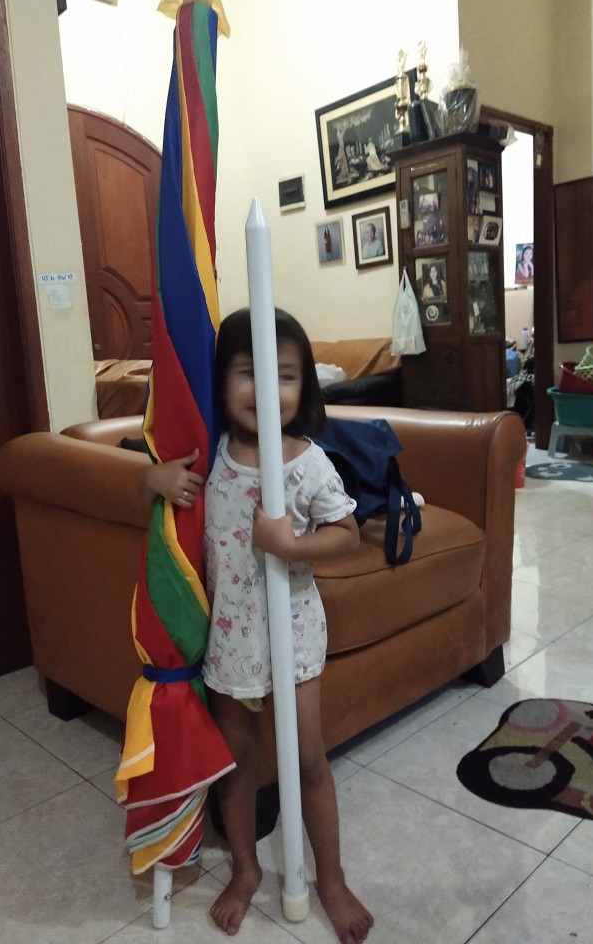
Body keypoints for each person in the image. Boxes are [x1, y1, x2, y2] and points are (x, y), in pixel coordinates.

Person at [142, 308, 374, 944]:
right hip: (229, 641)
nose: (268, 390)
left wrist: (291, 545)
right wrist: (152, 478)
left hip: (293, 635)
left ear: (305, 387)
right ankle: (245, 869)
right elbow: (149, 500)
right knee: (239, 762)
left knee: (307, 760)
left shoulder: (308, 463)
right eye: (250, 373)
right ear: (221, 382)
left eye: (285, 376)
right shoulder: (208, 455)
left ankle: (330, 878)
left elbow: (347, 534)